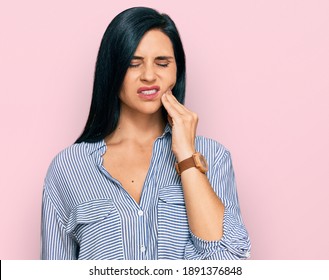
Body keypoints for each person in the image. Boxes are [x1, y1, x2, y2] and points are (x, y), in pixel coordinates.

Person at [41, 6, 251, 260]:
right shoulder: (68, 168)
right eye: (133, 63)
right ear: (112, 71)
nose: (149, 76)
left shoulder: (212, 157)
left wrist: (186, 157)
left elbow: (227, 262)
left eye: (162, 63)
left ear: (177, 71)